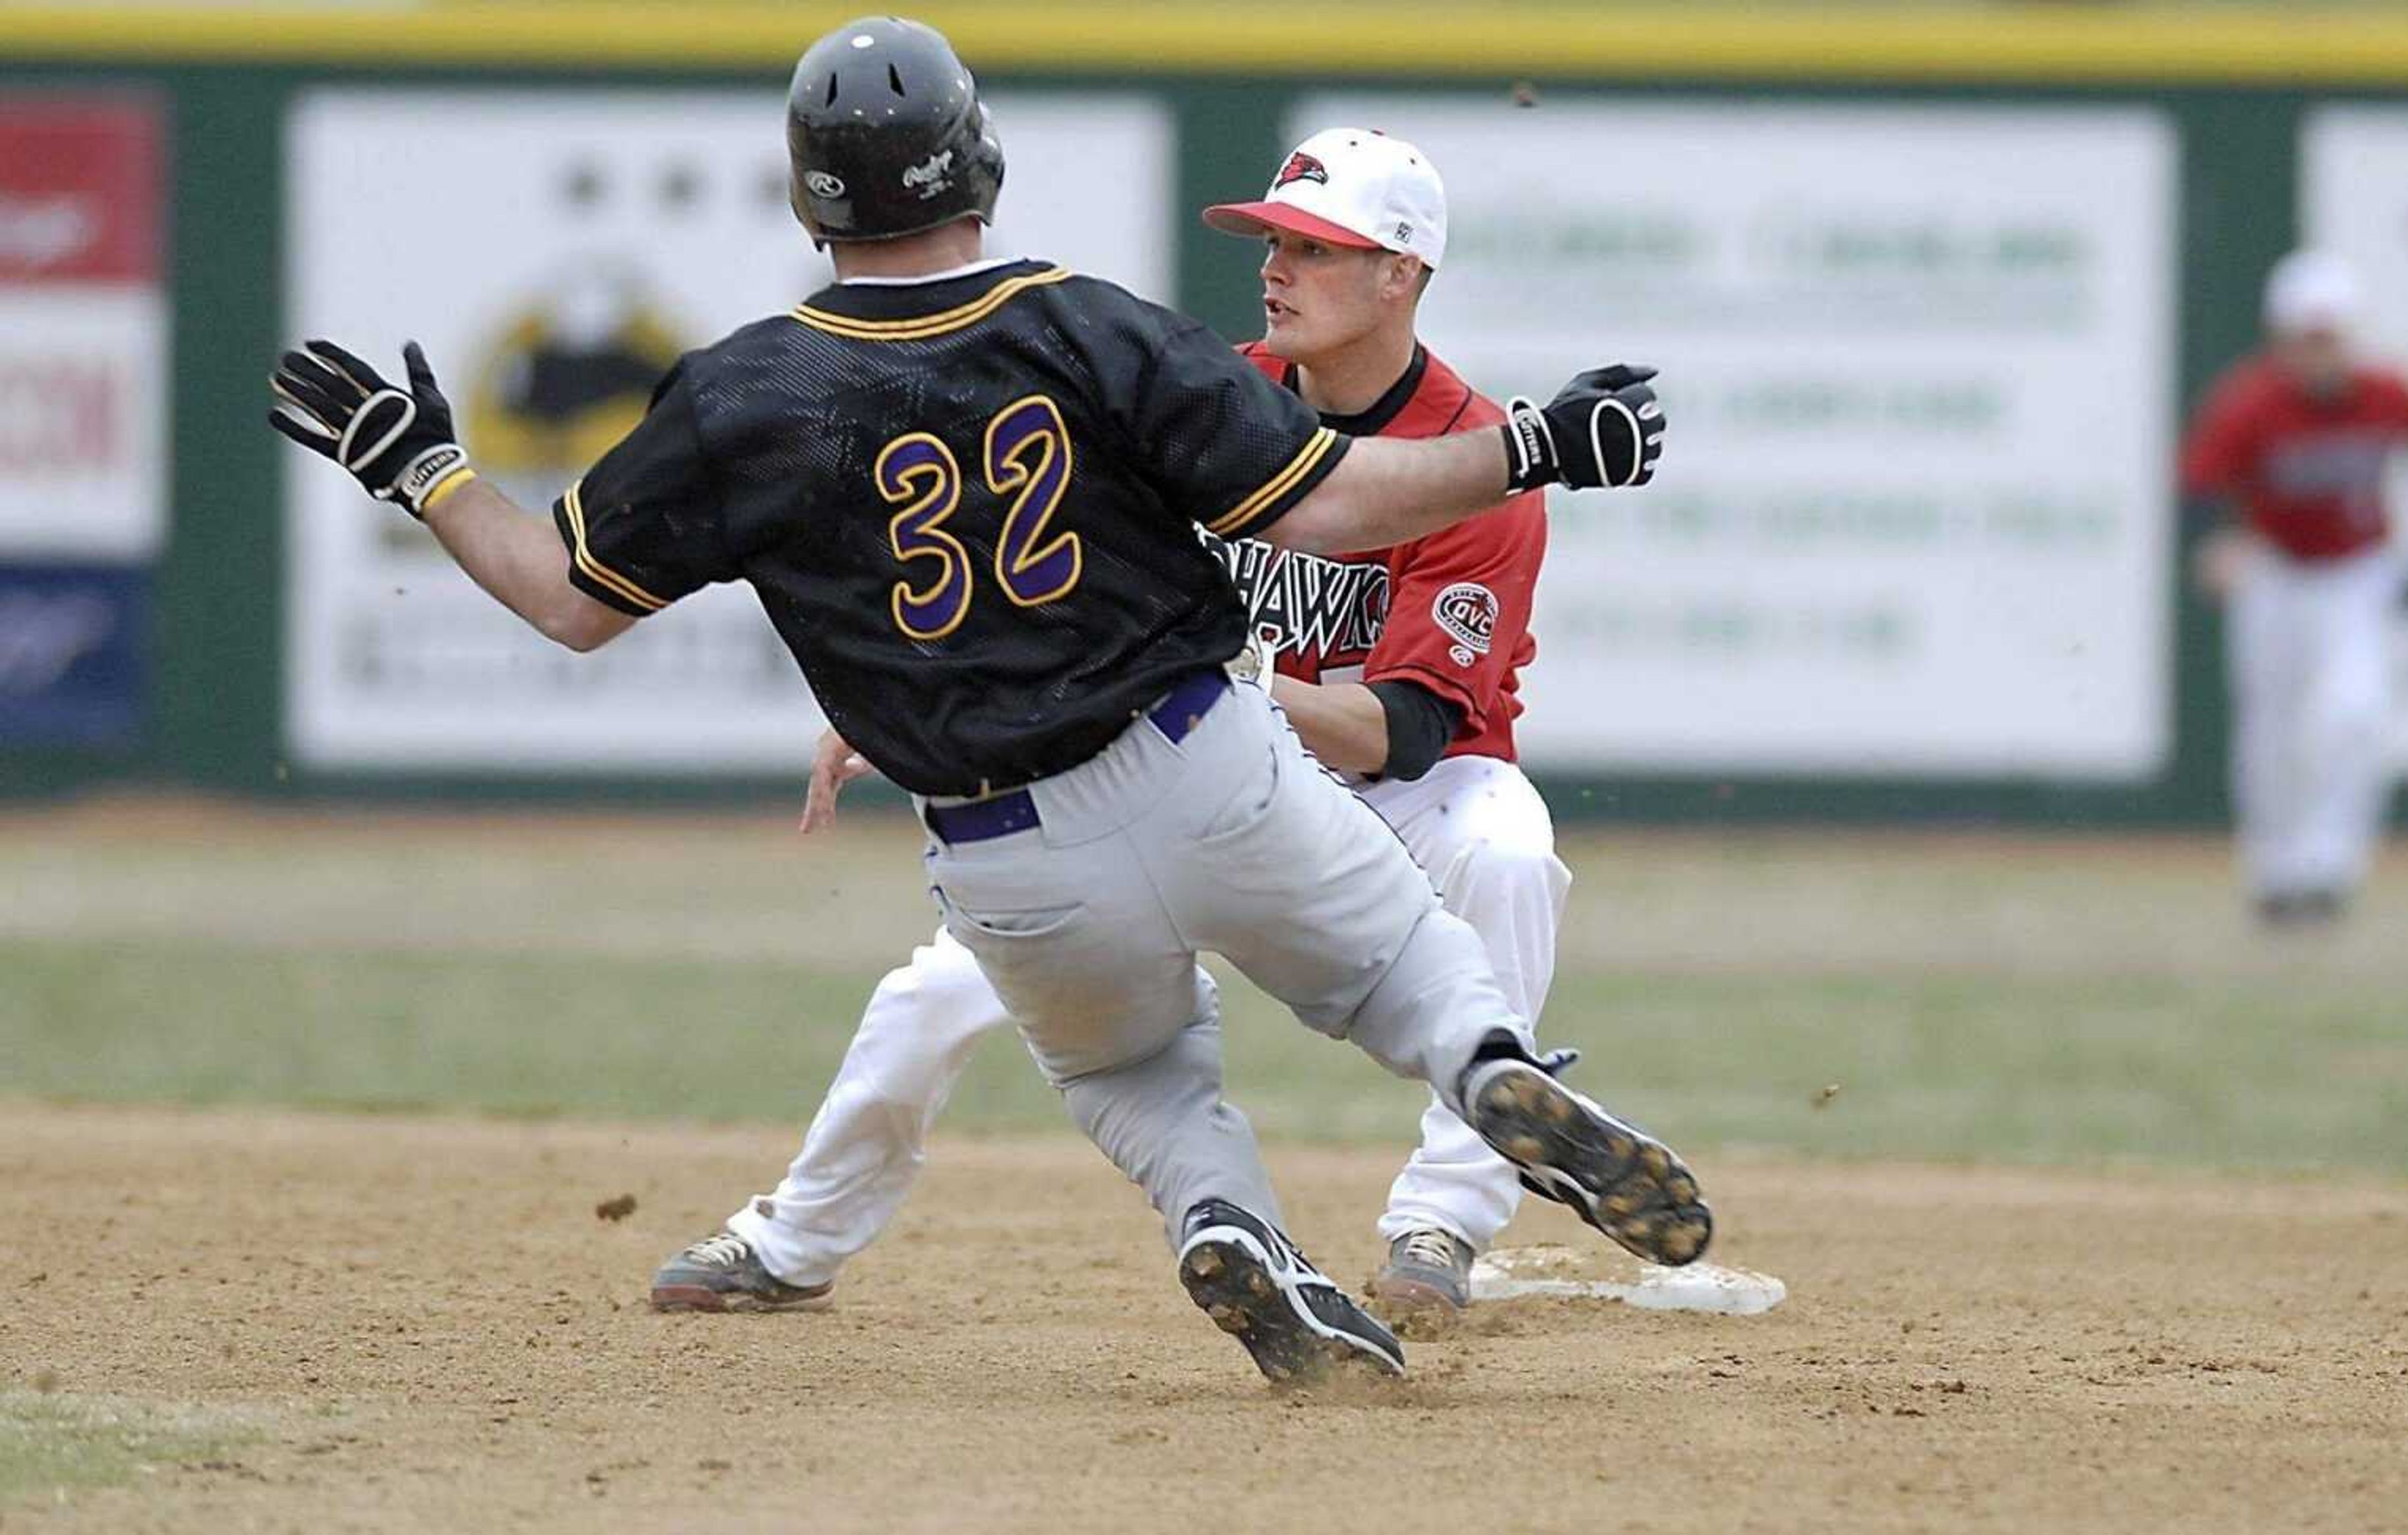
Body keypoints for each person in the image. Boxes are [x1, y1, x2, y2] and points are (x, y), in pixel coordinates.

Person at [268, 18, 1707, 1385]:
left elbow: (564, 602)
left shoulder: (741, 394)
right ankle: (1487, 1066)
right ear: (981, 164)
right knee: (1405, 974)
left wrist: (426, 474)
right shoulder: (1085, 329)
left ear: (808, 198)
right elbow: (1331, 505)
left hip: (1000, 845)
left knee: (1139, 1072)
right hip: (1201, 758)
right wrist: (1532, 443)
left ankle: (1223, 1219)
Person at [651, 127, 1570, 1330]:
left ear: (1401, 273)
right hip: (1173, 774)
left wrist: (1228, 685)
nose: (1275, 266)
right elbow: (1026, 592)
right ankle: (791, 1239)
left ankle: (1439, 1220)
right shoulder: (1201, 394)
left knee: (1505, 843)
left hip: (1385, 791)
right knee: (937, 990)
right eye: (1272, 241)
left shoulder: (1467, 461)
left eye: (1316, 246)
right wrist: (904, 707)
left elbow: (1399, 735)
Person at [2182, 249, 2408, 927]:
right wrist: (2217, 543)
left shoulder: (2388, 393)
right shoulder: (2251, 403)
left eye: (2330, 336)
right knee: (2272, 733)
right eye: (2307, 337)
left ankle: (2327, 870)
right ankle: (2274, 871)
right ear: (2281, 338)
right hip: (2276, 573)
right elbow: (2199, 482)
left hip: (2358, 575)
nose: (2320, 353)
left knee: (2354, 714)